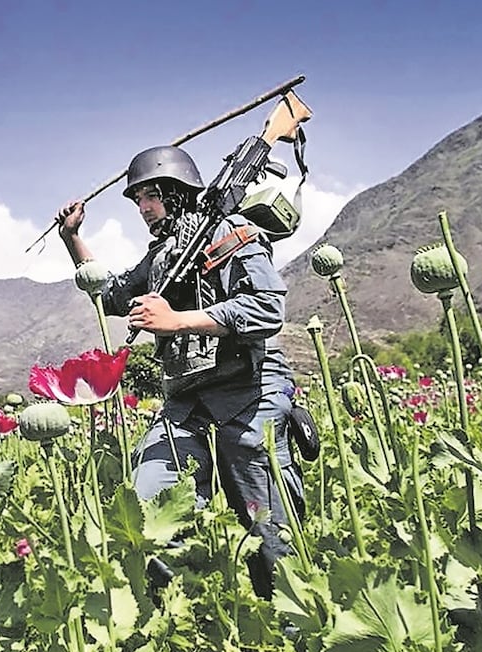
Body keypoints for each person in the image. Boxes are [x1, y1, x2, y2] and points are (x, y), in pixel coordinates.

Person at [55, 145, 305, 599]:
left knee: (269, 533)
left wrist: (176, 320)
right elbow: (110, 295)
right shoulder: (163, 257)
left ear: (176, 191)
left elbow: (268, 308)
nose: (144, 209)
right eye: (137, 201)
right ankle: (183, 618)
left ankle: (286, 633)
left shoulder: (234, 234)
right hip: (185, 404)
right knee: (148, 513)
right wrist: (73, 239)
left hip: (249, 394)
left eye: (150, 196)